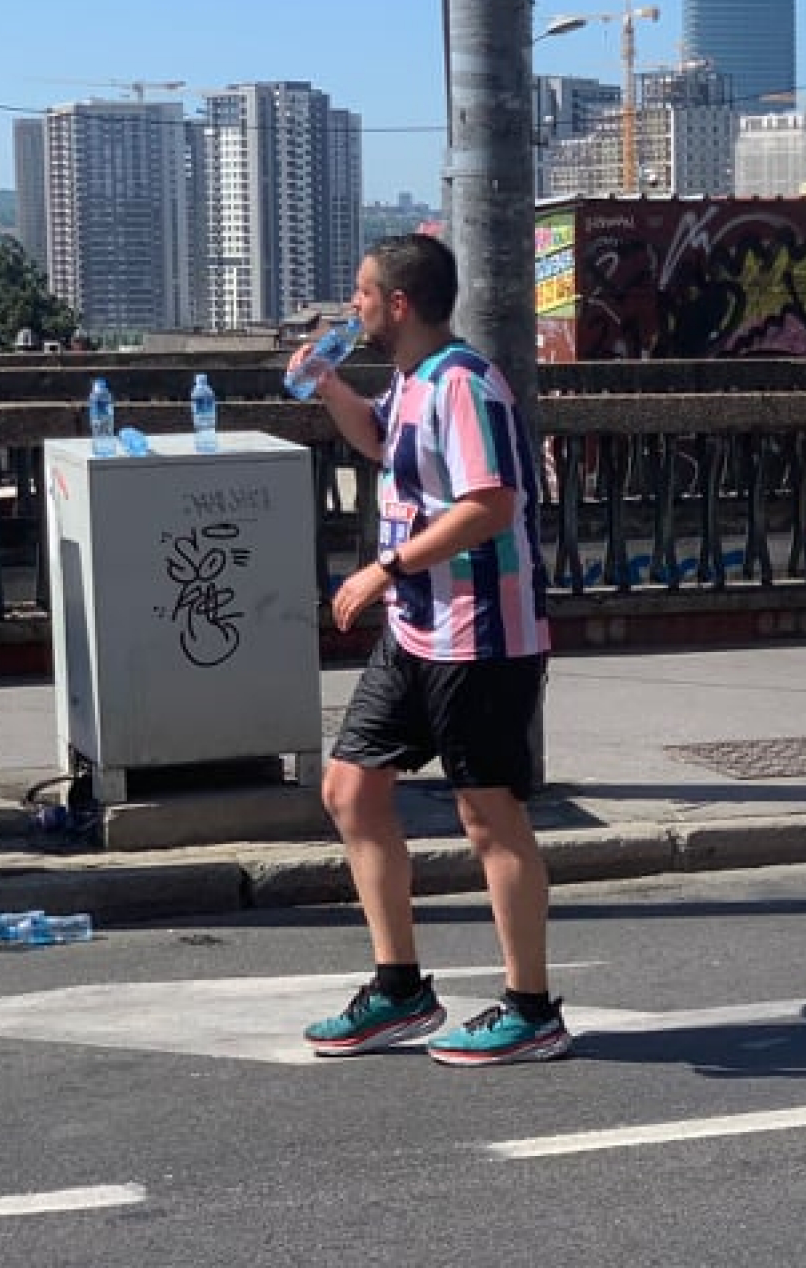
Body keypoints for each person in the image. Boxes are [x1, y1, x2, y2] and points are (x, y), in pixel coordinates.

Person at [297, 234, 567, 1066]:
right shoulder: (412, 382)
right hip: (418, 630)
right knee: (351, 791)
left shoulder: (465, 382)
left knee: (489, 817)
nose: (355, 308)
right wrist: (329, 385)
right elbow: (382, 444)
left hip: (483, 635)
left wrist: (384, 567)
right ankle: (401, 989)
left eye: (363, 294)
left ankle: (531, 1008)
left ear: (399, 303)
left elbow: (490, 503)